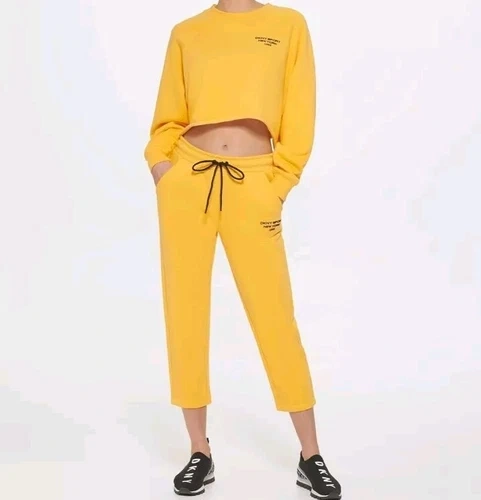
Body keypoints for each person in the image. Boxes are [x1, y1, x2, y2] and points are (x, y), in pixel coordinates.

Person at [144, 1, 342, 498]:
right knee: (185, 313)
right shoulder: (187, 32)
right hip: (187, 180)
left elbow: (300, 109)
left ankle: (311, 454)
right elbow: (167, 118)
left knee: (275, 317)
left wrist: (279, 183)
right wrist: (163, 170)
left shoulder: (287, 25)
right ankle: (199, 451)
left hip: (254, 185)